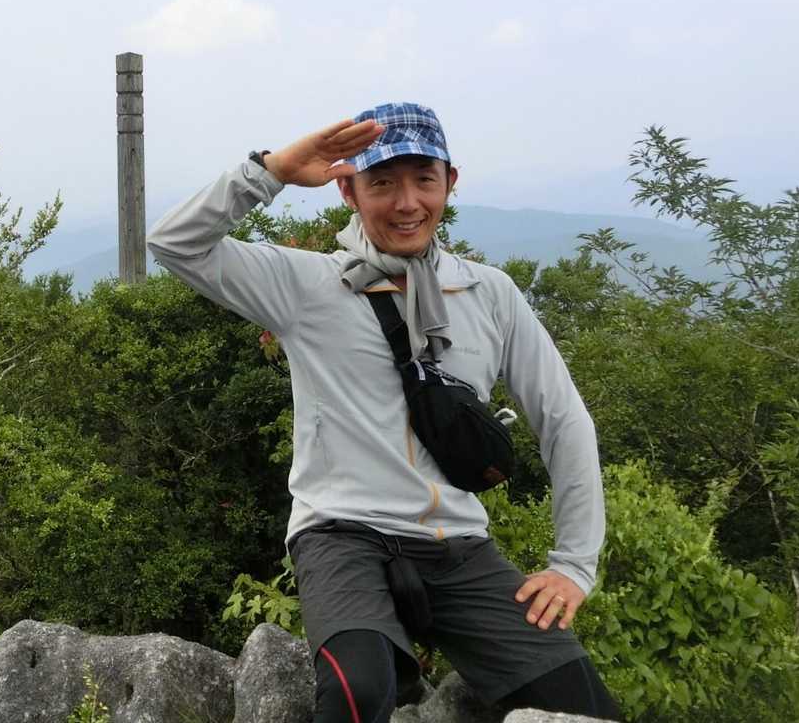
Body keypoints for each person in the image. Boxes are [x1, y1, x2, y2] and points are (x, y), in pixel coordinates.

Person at [148, 103, 622, 722]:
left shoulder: (490, 293)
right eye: (382, 183)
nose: (407, 203)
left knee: (585, 707)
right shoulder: (306, 285)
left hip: (458, 545)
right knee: (358, 692)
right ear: (348, 190)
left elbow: (563, 418)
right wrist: (272, 170)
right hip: (341, 534)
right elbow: (174, 243)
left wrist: (573, 565)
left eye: (424, 180)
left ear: (450, 183)